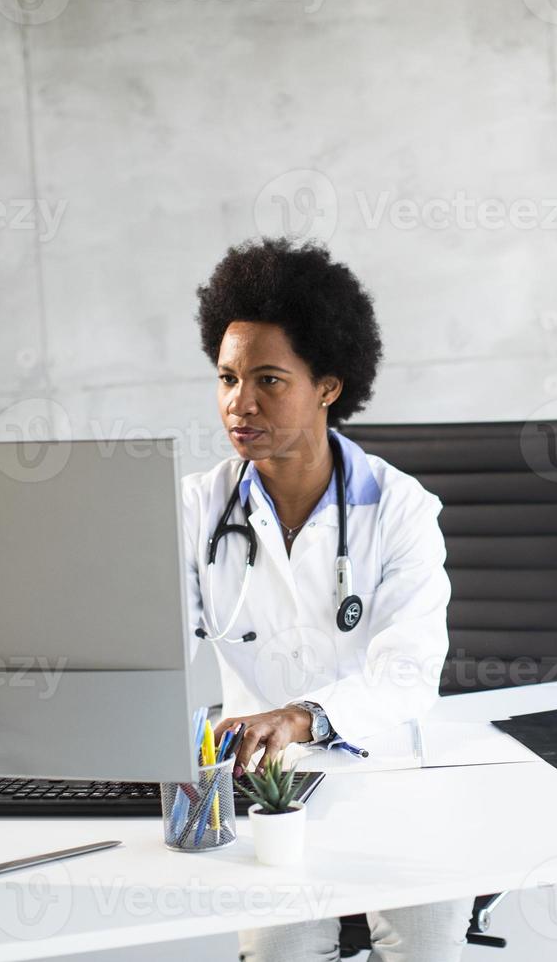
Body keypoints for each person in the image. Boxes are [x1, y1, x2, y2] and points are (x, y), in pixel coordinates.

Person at [181, 237, 474, 961]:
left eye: (269, 380)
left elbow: (407, 674)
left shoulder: (401, 509)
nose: (238, 404)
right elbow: (149, 647)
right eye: (226, 378)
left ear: (329, 387)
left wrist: (307, 716)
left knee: (428, 949)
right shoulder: (193, 509)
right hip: (265, 790)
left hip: (390, 776)